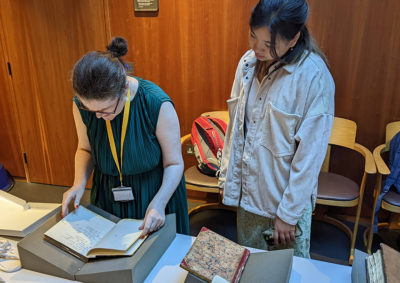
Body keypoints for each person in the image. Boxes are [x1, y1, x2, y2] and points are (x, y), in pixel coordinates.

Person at [219, 0, 335, 258]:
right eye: (253, 35)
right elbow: (236, 127)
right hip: (249, 196)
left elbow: (310, 157)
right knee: (249, 265)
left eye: (269, 44)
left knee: (285, 272)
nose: (256, 48)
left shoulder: (313, 77)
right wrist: (227, 175)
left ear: (293, 38)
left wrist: (288, 214)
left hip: (283, 203)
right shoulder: (247, 65)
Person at [62, 37, 189, 236]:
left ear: (124, 91)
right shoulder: (82, 105)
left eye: (105, 110)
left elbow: (174, 163)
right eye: (90, 109)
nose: (98, 117)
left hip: (155, 194)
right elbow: (85, 148)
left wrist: (159, 203)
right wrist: (78, 183)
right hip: (108, 195)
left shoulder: (155, 103)